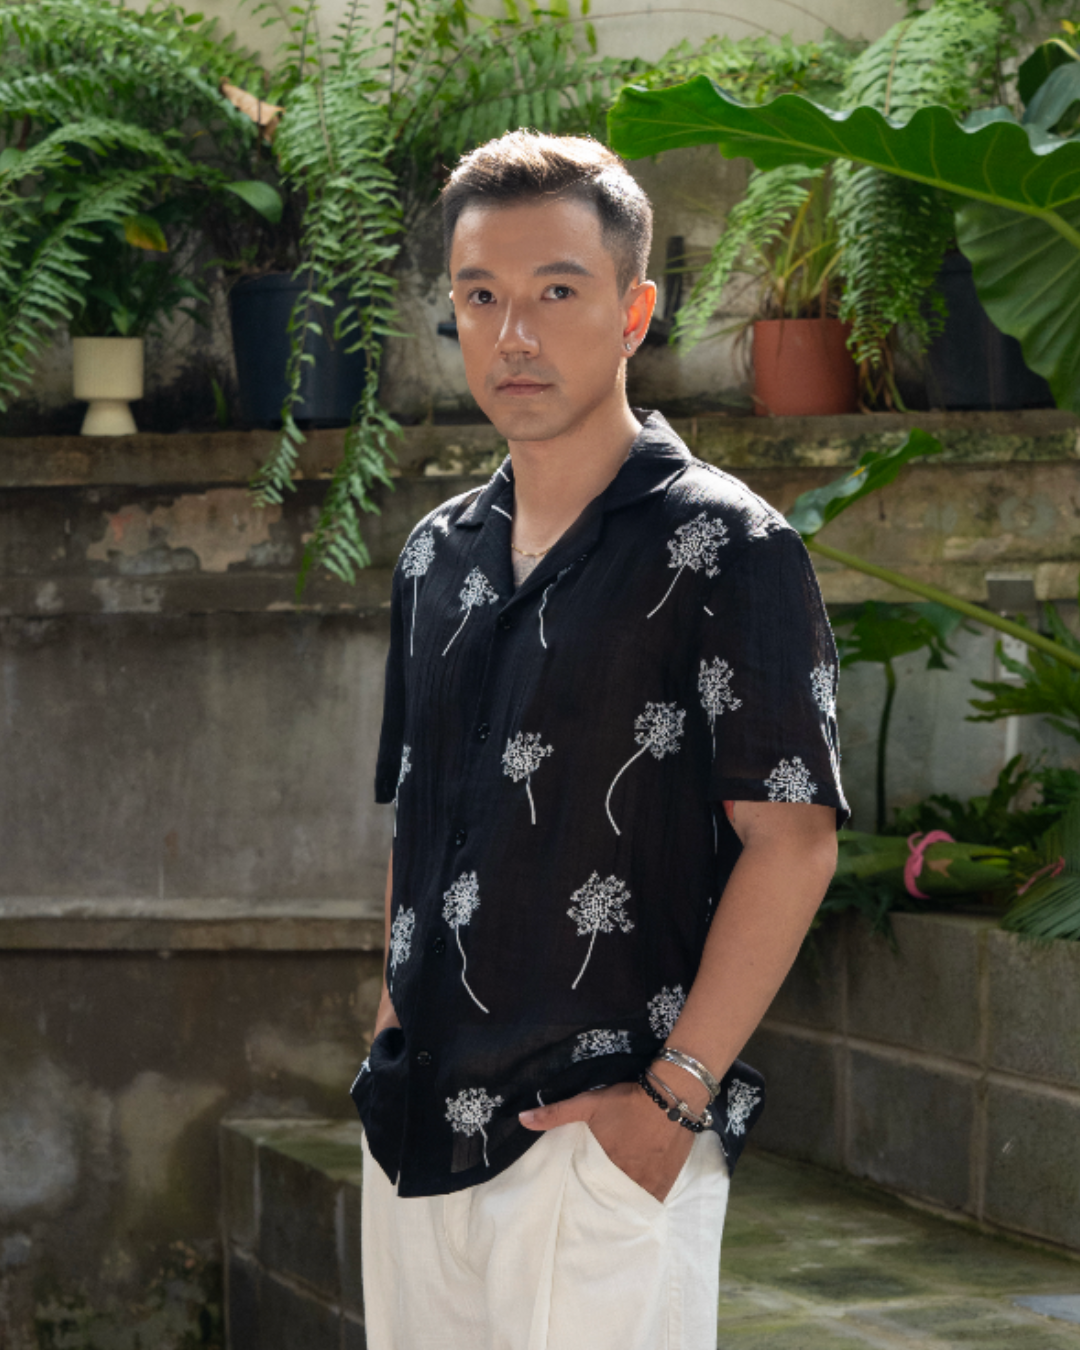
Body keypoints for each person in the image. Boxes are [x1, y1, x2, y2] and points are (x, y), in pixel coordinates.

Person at [351, 130, 848, 1350]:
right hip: (417, 1129)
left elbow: (793, 842)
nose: (513, 334)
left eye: (556, 293)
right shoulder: (434, 556)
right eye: (481, 297)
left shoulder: (728, 548)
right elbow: (419, 812)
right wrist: (390, 1027)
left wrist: (672, 1104)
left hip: (604, 1134)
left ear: (634, 312)